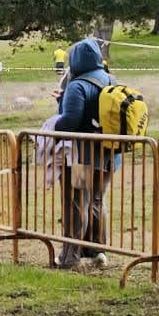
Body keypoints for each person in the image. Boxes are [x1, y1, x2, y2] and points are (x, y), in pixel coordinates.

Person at [52, 38, 118, 268]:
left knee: (76, 202)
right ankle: (97, 251)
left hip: (82, 157)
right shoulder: (111, 79)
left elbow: (69, 121)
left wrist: (53, 128)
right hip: (110, 155)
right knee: (97, 200)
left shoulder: (77, 85)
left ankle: (70, 256)